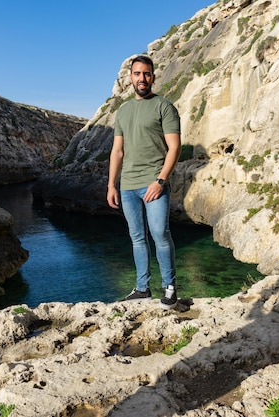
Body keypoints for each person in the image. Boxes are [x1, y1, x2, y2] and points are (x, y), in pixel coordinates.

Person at [107, 55, 182, 310]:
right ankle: (142, 288)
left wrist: (160, 181)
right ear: (130, 78)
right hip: (127, 185)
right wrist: (111, 185)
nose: (142, 78)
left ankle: (170, 287)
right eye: (137, 74)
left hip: (154, 183)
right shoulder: (124, 110)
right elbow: (117, 151)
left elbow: (174, 148)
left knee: (160, 233)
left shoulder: (164, 107)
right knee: (137, 238)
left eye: (147, 74)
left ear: (153, 76)